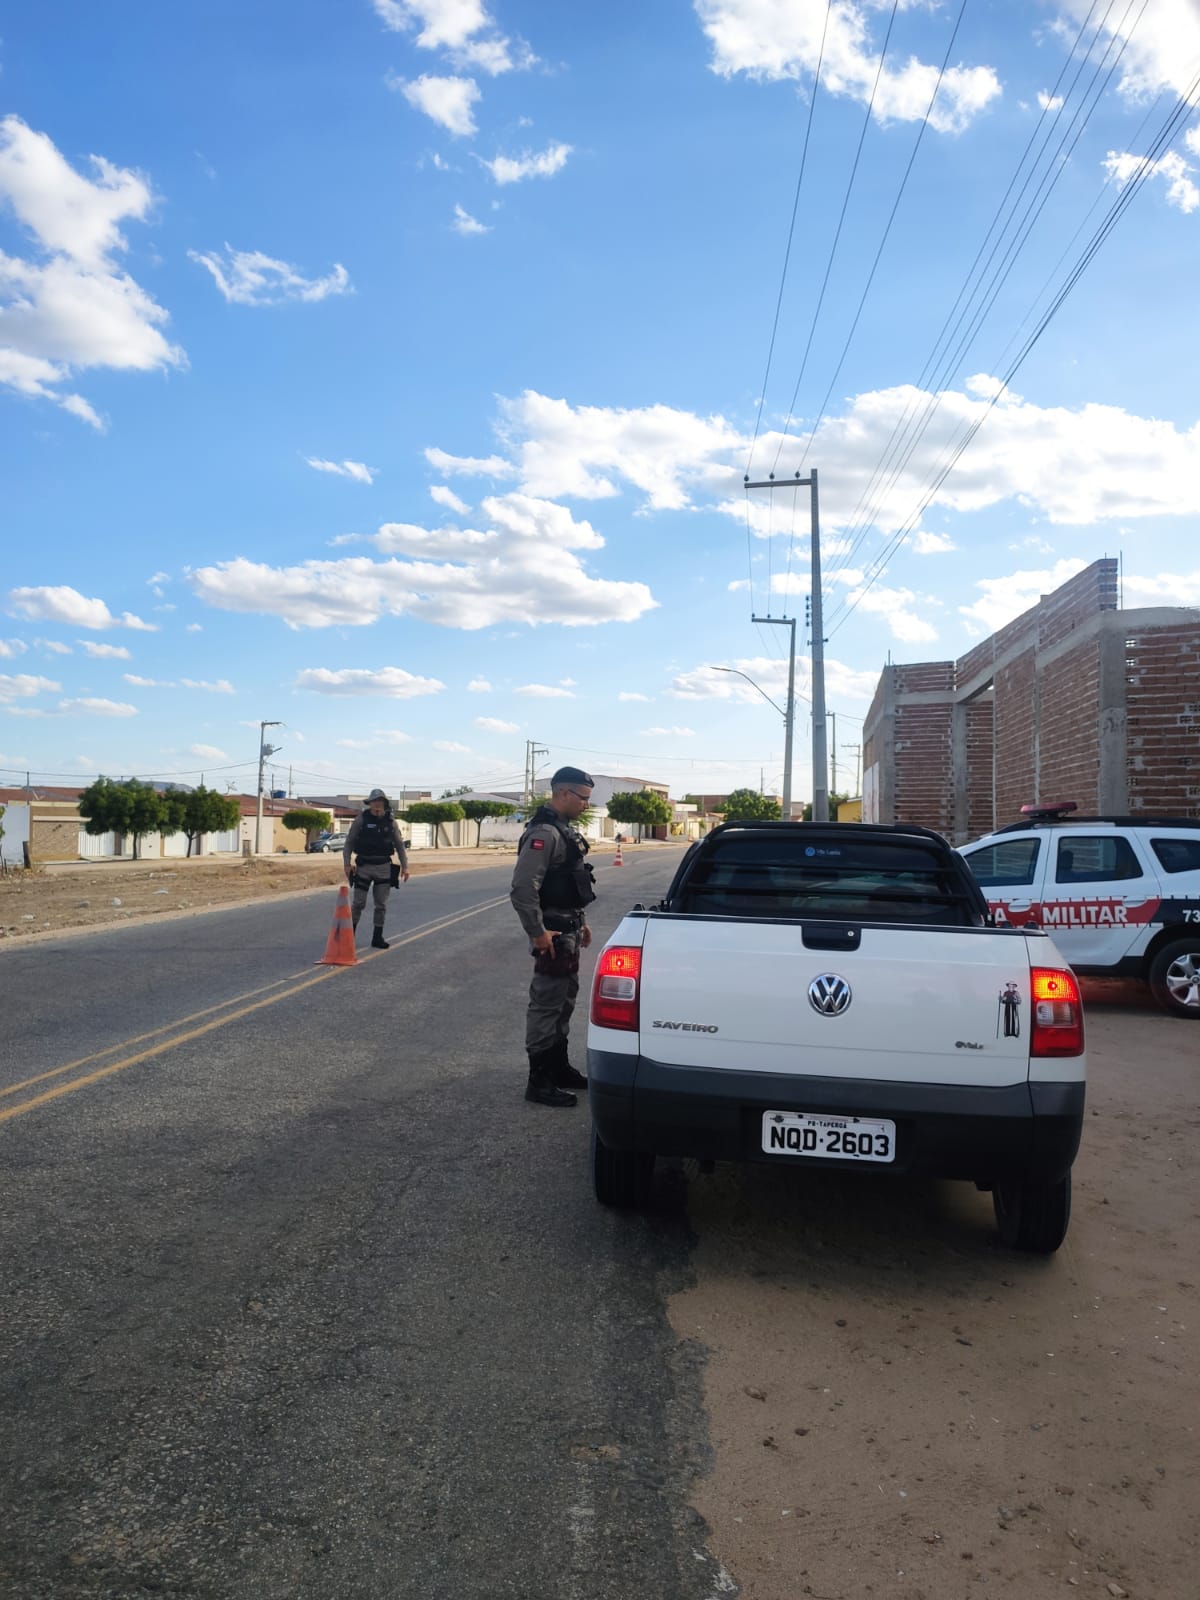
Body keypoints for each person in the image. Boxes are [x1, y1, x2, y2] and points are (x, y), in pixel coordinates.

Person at [510, 766, 597, 1107]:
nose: (586, 804)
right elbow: (523, 888)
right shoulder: (544, 834)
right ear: (563, 793)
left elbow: (570, 884)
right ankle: (539, 1081)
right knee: (546, 1005)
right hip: (552, 934)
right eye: (583, 797)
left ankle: (559, 1069)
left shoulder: (563, 830)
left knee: (564, 1002)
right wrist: (537, 932)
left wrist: (582, 922)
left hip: (568, 931)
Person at [343, 788, 409, 949]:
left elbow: (399, 845)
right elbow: (349, 842)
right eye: (374, 801)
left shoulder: (391, 822)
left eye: (380, 801)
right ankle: (348, 937)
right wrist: (346, 863)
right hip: (364, 866)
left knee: (381, 904)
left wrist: (405, 866)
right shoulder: (361, 819)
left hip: (383, 867)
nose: (377, 803)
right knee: (358, 903)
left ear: (384, 803)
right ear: (370, 803)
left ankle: (377, 938)